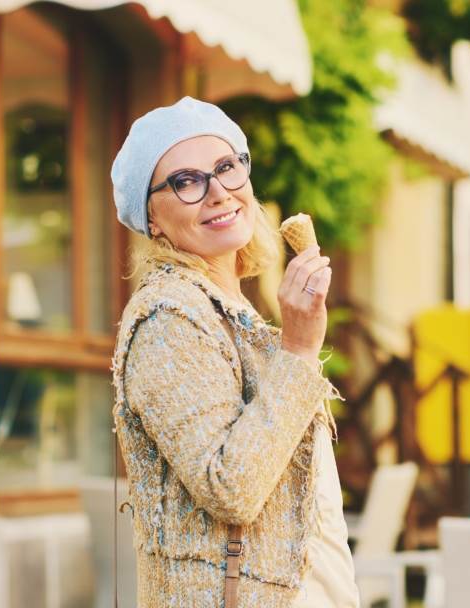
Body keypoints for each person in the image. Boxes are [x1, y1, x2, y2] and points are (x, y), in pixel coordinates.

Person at [109, 96, 359, 607]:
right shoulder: (167, 320)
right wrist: (299, 347)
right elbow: (231, 488)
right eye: (186, 181)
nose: (218, 192)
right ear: (151, 217)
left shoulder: (231, 313)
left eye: (226, 168)